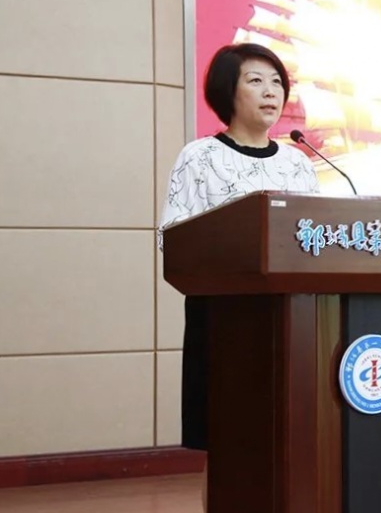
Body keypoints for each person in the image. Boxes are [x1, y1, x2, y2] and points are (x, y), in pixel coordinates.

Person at [157, 43, 320, 509]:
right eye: (255, 81)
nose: (271, 92)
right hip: (225, 320)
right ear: (227, 90)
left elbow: (318, 237)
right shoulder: (200, 157)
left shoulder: (297, 161)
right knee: (229, 443)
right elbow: (174, 240)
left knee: (293, 436)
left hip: (294, 318)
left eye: (277, 82)